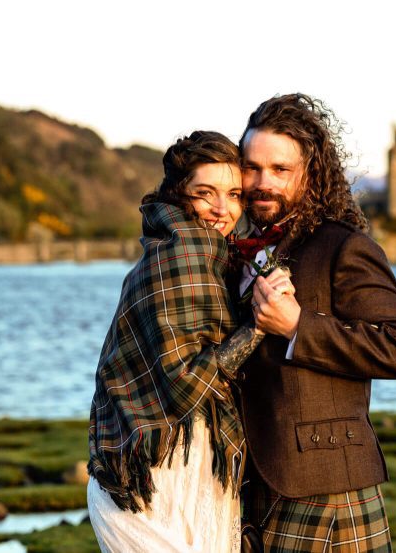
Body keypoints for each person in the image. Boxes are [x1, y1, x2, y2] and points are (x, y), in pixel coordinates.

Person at [87, 131, 293, 553]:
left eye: (234, 194)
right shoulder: (182, 255)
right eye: (206, 193)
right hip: (161, 481)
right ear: (180, 194)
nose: (223, 209)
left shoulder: (203, 253)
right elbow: (185, 384)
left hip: (176, 468)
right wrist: (259, 324)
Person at [236, 94, 396, 553]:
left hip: (329, 488)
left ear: (310, 174)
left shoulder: (344, 247)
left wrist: (300, 325)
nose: (263, 183)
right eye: (251, 167)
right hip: (251, 487)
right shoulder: (235, 252)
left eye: (280, 170)